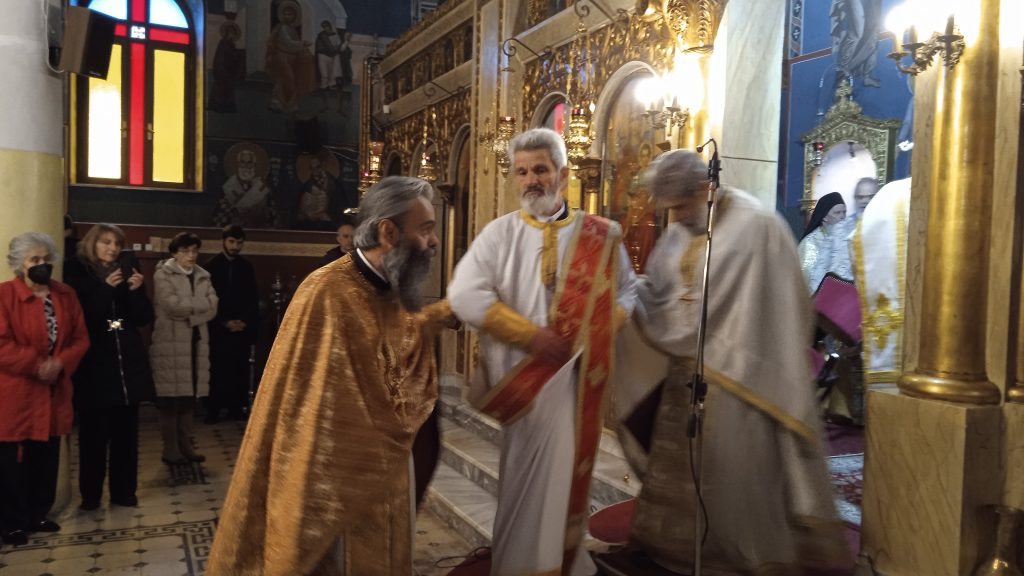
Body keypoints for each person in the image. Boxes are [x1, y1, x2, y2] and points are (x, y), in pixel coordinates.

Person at [607, 149, 846, 574]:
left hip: (743, 378)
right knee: (679, 470)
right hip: (685, 376)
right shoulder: (680, 232)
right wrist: (627, 296)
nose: (677, 216)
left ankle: (738, 556)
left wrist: (742, 349)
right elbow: (663, 296)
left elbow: (782, 305)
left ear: (706, 187)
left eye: (682, 206)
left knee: (736, 476)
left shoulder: (758, 226)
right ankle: (672, 550)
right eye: (671, 209)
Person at [207, 176, 453, 575]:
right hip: (335, 484)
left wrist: (438, 317)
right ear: (389, 232)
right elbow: (326, 405)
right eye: (425, 229)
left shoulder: (392, 290)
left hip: (387, 473)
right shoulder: (325, 292)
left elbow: (396, 353)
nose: (434, 241)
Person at [448, 128, 637, 576]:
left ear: (562, 174)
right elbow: (464, 293)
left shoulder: (601, 235)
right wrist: (530, 337)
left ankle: (562, 562)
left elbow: (628, 292)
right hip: (522, 384)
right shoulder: (499, 235)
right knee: (521, 479)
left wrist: (596, 331)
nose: (531, 180)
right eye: (522, 172)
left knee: (564, 476)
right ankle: (518, 563)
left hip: (575, 382)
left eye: (540, 169)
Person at [0, 233, 89, 545]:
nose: (42, 265)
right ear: (20, 264)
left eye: (46, 259)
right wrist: (36, 364)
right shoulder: (4, 295)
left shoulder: (65, 294)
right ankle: (12, 522)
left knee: (47, 456)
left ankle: (38, 513)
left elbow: (80, 337)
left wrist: (61, 363)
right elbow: (1, 343)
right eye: (34, 260)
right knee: (11, 463)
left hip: (54, 389)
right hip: (16, 392)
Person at [65, 224, 156, 510]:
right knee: (93, 437)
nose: (113, 248)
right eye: (106, 242)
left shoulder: (127, 270)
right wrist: (106, 289)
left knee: (126, 436)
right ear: (93, 243)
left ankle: (124, 492)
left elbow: (142, 318)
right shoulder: (77, 271)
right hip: (95, 366)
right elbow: (84, 318)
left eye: (117, 243)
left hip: (127, 365)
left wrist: (136, 291)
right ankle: (91, 496)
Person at [150, 232, 218, 465]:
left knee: (189, 397)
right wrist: (199, 310)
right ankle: (170, 447)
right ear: (175, 253)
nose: (191, 255)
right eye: (185, 251)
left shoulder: (203, 275)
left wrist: (193, 315)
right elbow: (172, 306)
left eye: (194, 251)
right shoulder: (163, 274)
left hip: (196, 343)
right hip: (170, 343)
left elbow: (213, 306)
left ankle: (186, 444)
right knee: (171, 399)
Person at [204, 226, 259, 423]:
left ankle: (236, 408)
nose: (235, 246)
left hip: (241, 327)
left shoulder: (246, 267)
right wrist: (224, 322)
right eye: (231, 242)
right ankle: (214, 409)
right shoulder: (211, 266)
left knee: (239, 368)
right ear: (224, 241)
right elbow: (208, 299)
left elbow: (251, 298)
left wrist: (245, 322)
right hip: (219, 328)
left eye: (239, 243)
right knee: (217, 369)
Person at [799, 191, 854, 293]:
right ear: (824, 217)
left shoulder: (848, 237)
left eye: (844, 212)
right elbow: (807, 279)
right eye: (837, 213)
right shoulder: (810, 243)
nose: (842, 216)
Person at [265, 0, 314, 114]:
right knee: (287, 79)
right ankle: (278, 103)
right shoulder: (282, 28)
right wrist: (303, 43)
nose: (287, 16)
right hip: (282, 57)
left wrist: (302, 48)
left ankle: (288, 105)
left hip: (291, 58)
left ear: (294, 16)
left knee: (288, 80)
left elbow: (294, 44)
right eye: (285, 14)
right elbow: (288, 42)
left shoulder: (291, 28)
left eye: (290, 14)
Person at [214, 147, 277, 229]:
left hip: (257, 233)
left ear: (255, 166)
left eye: (249, 163)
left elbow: (272, 219)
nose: (246, 166)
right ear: (237, 165)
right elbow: (219, 219)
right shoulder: (228, 188)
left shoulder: (263, 189)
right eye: (242, 162)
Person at [209, 20, 245, 113]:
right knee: (221, 88)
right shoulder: (223, 43)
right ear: (227, 33)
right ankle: (219, 106)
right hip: (222, 70)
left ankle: (226, 107)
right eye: (229, 32)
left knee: (227, 90)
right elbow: (222, 57)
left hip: (227, 71)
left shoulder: (230, 44)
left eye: (232, 33)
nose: (231, 35)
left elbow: (232, 57)